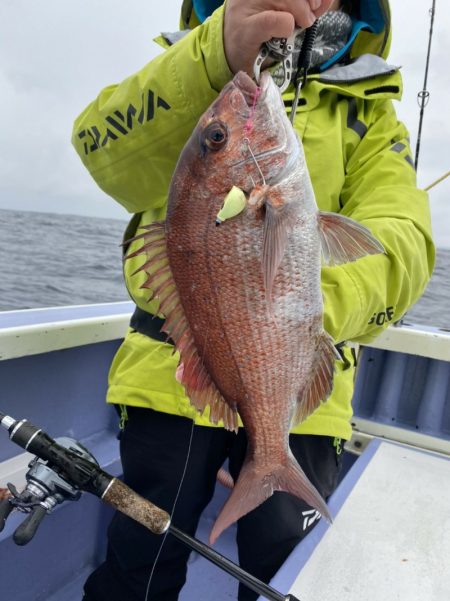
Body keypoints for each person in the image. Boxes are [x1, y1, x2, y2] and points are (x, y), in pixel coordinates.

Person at [72, 1, 434, 599]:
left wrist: (300, 306)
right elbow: (99, 150)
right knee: (139, 561)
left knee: (282, 571)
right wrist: (218, 52)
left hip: (305, 394)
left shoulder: (370, 116)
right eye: (218, 137)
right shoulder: (182, 70)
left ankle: (272, 463)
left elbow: (404, 242)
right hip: (167, 375)